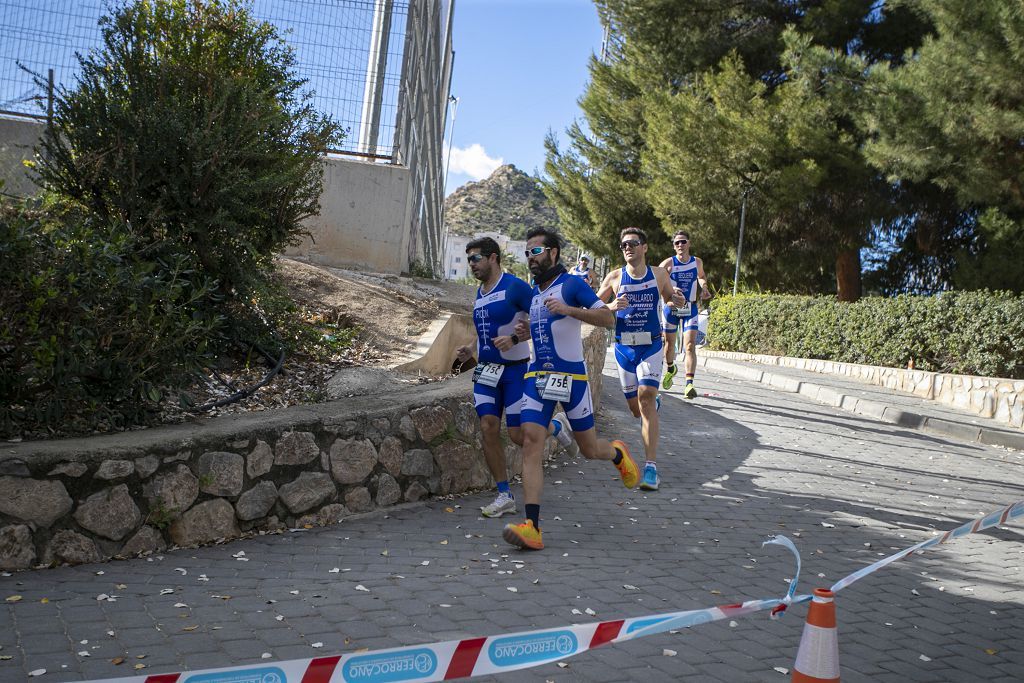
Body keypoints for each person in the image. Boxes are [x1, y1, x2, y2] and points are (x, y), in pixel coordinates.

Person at [502, 227, 639, 551]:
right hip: (538, 378)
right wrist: (523, 334)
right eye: (527, 253)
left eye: (536, 251)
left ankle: (617, 452)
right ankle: (532, 526)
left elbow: (606, 318)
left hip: (572, 380)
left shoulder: (573, 285)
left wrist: (569, 310)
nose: (531, 258)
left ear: (553, 253)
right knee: (531, 441)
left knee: (590, 450)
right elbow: (544, 334)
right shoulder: (535, 297)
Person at [454, 237, 576, 519]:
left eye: (475, 259)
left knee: (519, 435)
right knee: (487, 426)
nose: (471, 264)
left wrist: (516, 336)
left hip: (516, 371)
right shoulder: (480, 292)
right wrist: (471, 348)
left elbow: (542, 317)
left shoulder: (515, 287)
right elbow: (484, 328)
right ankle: (503, 494)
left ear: (493, 257)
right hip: (486, 371)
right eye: (469, 259)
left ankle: (555, 427)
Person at [597, 227, 684, 491]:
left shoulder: (658, 274)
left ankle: (650, 468)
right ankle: (650, 404)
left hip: (651, 346)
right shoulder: (614, 277)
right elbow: (592, 307)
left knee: (645, 396)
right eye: (623, 245)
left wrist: (676, 300)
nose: (627, 248)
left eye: (633, 243)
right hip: (624, 350)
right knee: (637, 410)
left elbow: (671, 299)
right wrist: (610, 307)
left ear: (644, 247)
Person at [659, 230, 711, 399]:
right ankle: (670, 367)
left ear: (689, 243)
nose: (680, 245)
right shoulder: (668, 264)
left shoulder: (697, 262)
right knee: (670, 344)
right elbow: (657, 283)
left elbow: (701, 277)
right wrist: (671, 290)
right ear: (674, 247)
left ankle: (689, 384)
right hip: (672, 308)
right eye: (677, 243)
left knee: (689, 345)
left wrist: (704, 287)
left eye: (683, 242)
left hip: (690, 308)